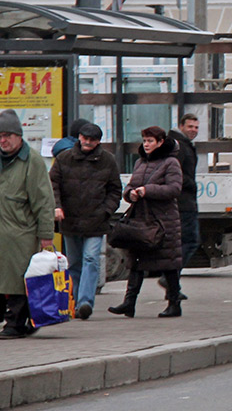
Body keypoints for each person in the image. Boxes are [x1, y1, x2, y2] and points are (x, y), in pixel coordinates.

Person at [108, 126, 184, 319]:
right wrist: (130, 194)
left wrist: (147, 190)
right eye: (144, 141)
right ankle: (129, 303)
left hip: (164, 221)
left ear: (160, 142)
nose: (147, 144)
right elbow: (132, 185)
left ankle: (174, 303)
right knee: (136, 261)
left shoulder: (171, 162)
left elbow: (174, 189)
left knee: (168, 263)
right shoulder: (140, 162)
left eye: (150, 141)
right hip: (141, 219)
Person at [49, 122, 122, 321]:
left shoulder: (108, 161)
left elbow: (116, 190)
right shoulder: (64, 159)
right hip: (70, 220)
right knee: (74, 263)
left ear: (98, 141)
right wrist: (57, 206)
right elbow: (52, 184)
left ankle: (85, 302)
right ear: (79, 137)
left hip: (95, 221)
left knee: (90, 259)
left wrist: (106, 211)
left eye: (92, 140)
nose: (88, 142)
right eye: (85, 138)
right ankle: (74, 301)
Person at [0, 109, 55, 338]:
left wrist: (46, 235)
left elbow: (44, 201)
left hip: (21, 233)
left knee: (19, 281)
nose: (2, 140)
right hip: (3, 232)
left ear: (19, 135)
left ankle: (16, 323)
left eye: (7, 135)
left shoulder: (32, 161)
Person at [166, 113, 200, 300]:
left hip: (185, 201)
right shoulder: (179, 146)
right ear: (181, 126)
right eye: (190, 127)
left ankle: (173, 284)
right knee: (189, 241)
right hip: (183, 202)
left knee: (183, 243)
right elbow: (175, 172)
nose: (193, 130)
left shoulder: (183, 144)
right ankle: (170, 278)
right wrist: (191, 184)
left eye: (196, 127)